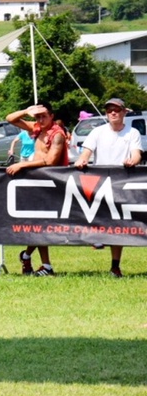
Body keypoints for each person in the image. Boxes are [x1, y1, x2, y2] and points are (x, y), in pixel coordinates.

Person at [74, 97, 143, 277]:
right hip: (98, 185)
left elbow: (137, 155)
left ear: (124, 112)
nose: (113, 113)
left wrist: (132, 161)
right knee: (93, 218)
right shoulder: (97, 132)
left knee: (117, 226)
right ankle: (97, 238)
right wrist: (82, 161)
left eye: (117, 110)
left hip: (121, 184)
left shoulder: (132, 132)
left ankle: (115, 265)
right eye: (109, 110)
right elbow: (86, 153)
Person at [5, 101, 69, 276]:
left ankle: (28, 256)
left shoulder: (58, 134)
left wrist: (22, 165)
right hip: (37, 181)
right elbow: (10, 118)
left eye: (44, 116)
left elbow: (50, 161)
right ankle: (43, 264)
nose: (40, 119)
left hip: (53, 182)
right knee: (38, 223)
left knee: (44, 225)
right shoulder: (36, 127)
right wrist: (27, 110)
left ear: (52, 116)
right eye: (38, 116)